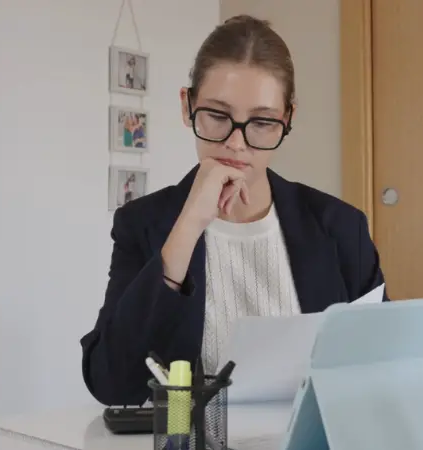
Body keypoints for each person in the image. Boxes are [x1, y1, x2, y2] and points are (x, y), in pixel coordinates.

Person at [80, 15, 388, 406]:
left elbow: (383, 364)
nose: (237, 144)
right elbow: (112, 384)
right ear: (187, 105)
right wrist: (188, 226)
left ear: (287, 119)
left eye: (262, 122)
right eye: (217, 116)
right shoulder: (143, 224)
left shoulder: (341, 227)